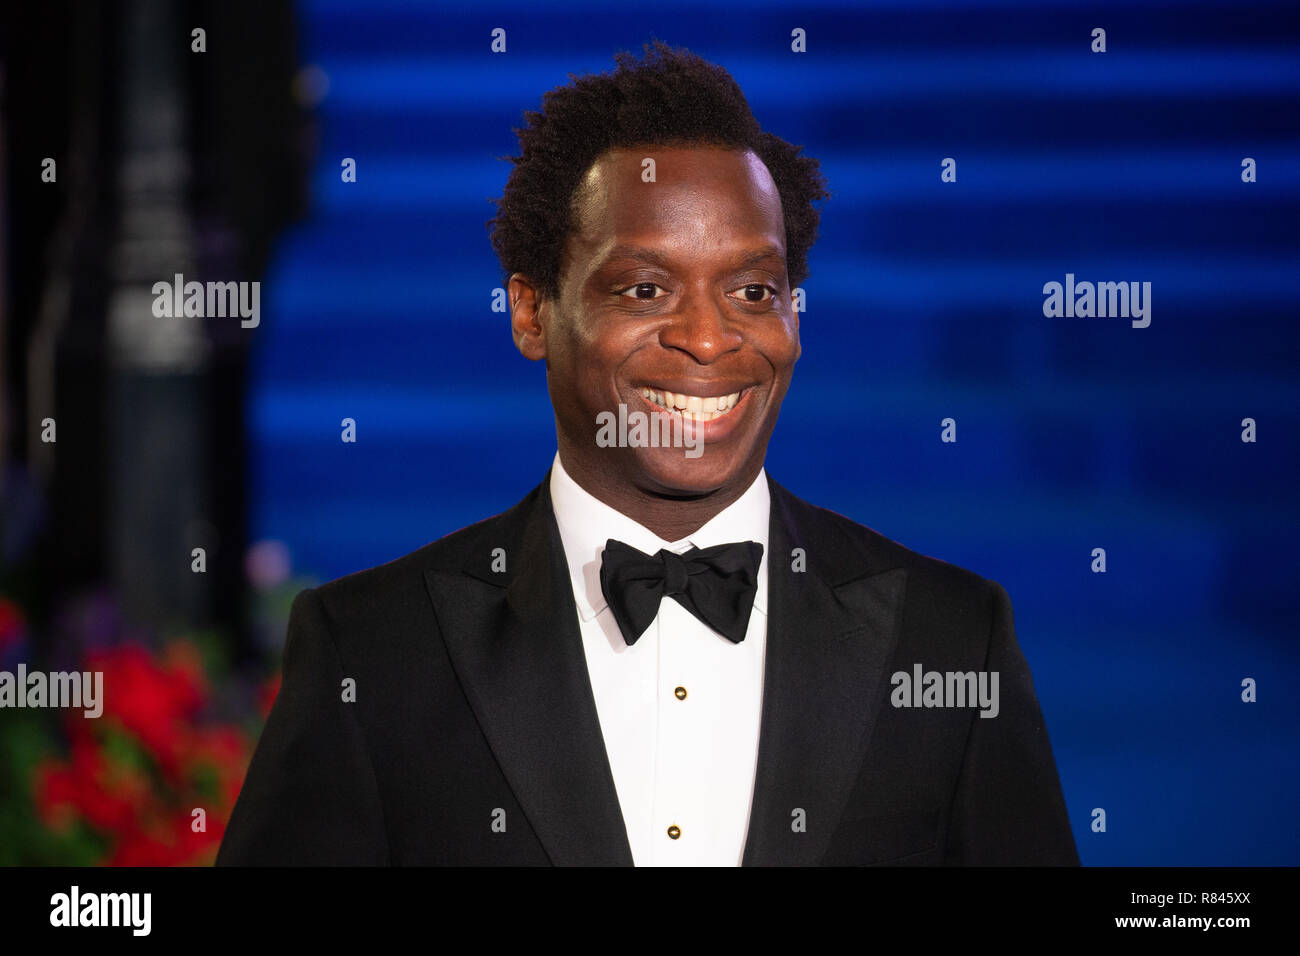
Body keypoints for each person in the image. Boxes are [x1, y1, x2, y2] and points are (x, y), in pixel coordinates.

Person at [217, 40, 1078, 866]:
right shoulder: (373, 651)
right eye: (644, 288)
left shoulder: (952, 640)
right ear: (531, 313)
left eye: (752, 291)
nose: (708, 339)